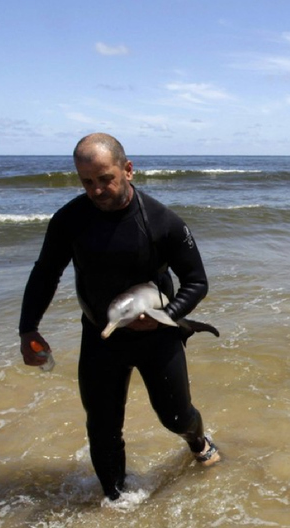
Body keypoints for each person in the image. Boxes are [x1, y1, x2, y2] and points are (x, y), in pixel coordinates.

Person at [18, 133, 219, 501]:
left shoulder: (162, 221)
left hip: (157, 338)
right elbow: (45, 273)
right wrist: (28, 328)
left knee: (175, 416)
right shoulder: (69, 220)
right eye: (87, 182)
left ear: (128, 170)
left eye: (105, 178)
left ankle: (197, 440)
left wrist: (166, 317)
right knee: (103, 427)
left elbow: (196, 281)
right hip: (101, 337)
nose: (96, 190)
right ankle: (115, 498)